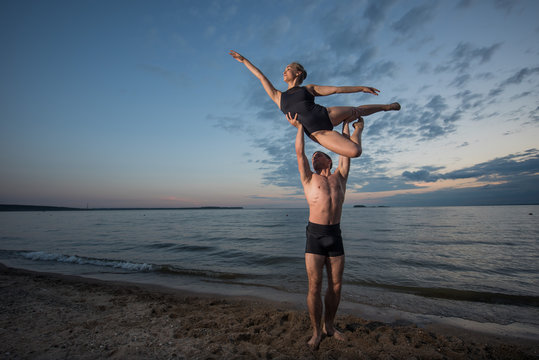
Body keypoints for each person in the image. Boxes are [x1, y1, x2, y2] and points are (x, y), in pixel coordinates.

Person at [229, 50, 399, 158]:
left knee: (356, 110)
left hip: (327, 114)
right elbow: (261, 77)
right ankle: (357, 129)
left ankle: (386, 107)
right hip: (318, 132)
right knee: (355, 152)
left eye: (288, 69)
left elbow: (336, 90)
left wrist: (361, 88)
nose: (284, 71)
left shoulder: (308, 88)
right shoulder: (278, 96)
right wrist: (244, 60)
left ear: (298, 73)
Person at [286, 112, 362, 349]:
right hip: (315, 236)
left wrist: (347, 128)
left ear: (329, 161)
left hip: (335, 236)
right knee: (314, 286)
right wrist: (299, 127)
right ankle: (316, 331)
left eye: (319, 153)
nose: (314, 154)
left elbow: (345, 150)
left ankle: (330, 324)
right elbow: (299, 153)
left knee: (336, 286)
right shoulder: (309, 179)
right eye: (314, 154)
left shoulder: (341, 177)